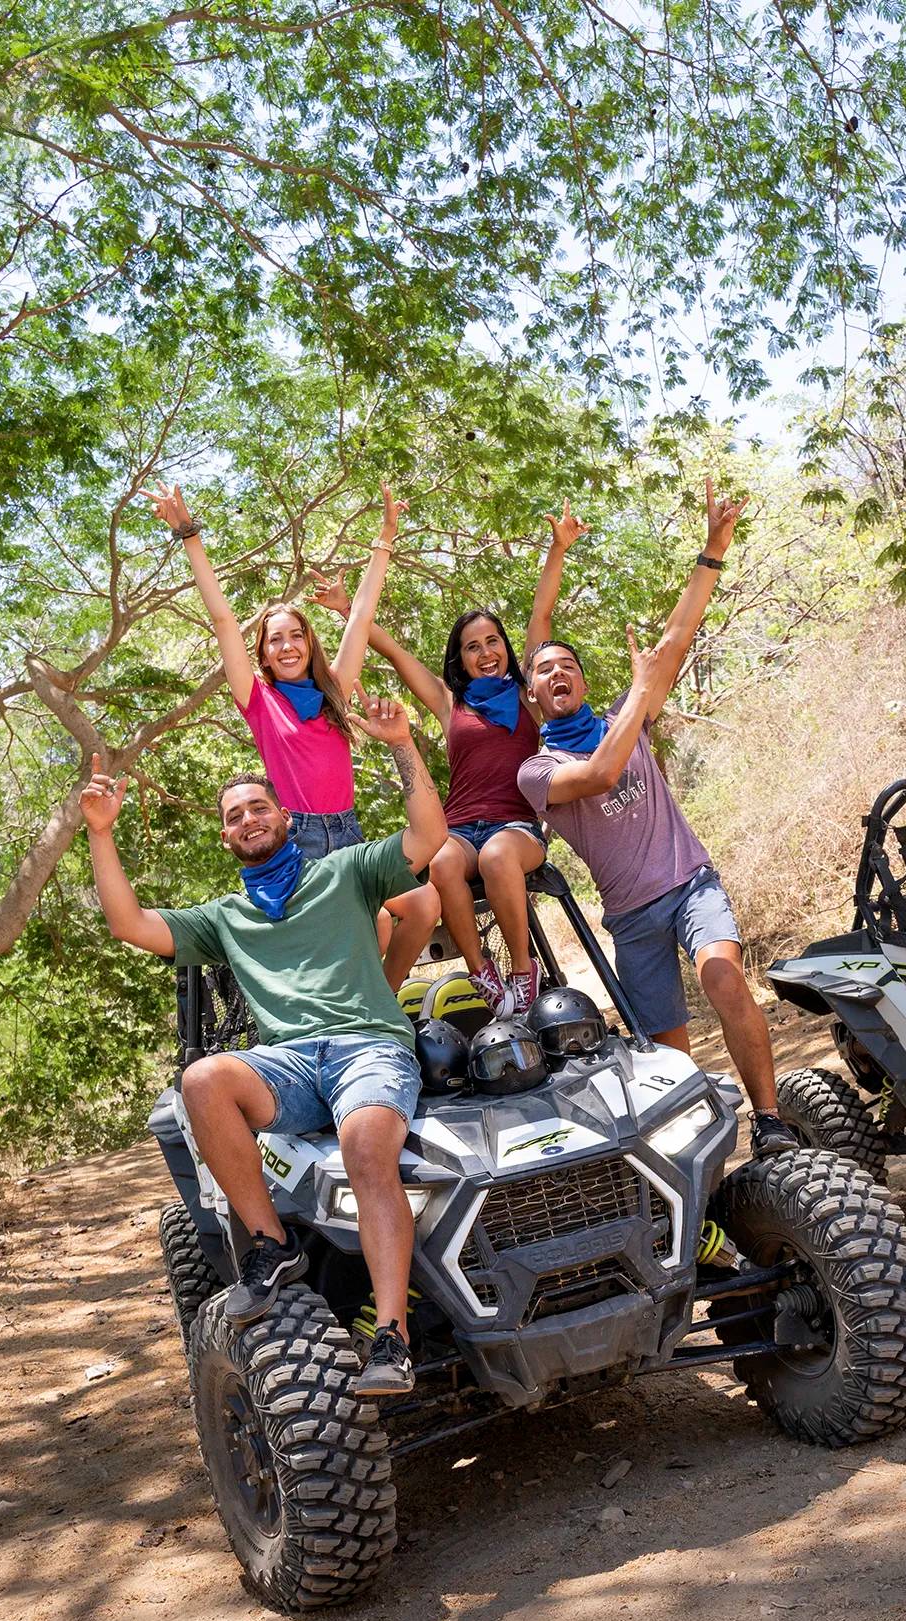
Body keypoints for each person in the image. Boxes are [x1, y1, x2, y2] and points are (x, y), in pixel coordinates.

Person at [79, 688, 446, 1396]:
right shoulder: (225, 918)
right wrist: (101, 831)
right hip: (292, 1063)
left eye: (257, 807)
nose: (247, 819)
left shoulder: (344, 872)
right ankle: (270, 1248)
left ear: (285, 817)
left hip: (368, 1045)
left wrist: (403, 746)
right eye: (233, 815)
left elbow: (427, 839)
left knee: (366, 1147)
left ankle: (391, 1337)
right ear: (226, 837)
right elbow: (128, 924)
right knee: (201, 1080)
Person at [516, 479, 798, 1158]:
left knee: (723, 977)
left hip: (690, 883)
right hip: (632, 919)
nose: (558, 672)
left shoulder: (627, 713)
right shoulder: (537, 773)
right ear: (530, 699)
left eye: (568, 665)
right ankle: (710, 1170)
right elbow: (602, 775)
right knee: (672, 1062)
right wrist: (641, 695)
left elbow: (677, 634)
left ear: (582, 681)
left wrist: (712, 549)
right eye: (544, 670)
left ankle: (771, 1122)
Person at [141, 478, 439, 990]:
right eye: (274, 639)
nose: (286, 646)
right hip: (296, 839)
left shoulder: (334, 694)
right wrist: (189, 534)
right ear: (263, 654)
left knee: (423, 903)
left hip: (346, 833)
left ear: (309, 643)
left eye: (296, 635)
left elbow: (362, 615)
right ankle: (348, 1014)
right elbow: (222, 620)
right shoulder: (259, 701)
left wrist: (386, 534)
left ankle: (381, 1004)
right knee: (378, 921)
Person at [311, 501, 589, 1016]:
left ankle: (522, 974)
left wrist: (557, 550)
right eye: (471, 647)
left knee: (498, 857)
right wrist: (348, 609)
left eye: (492, 642)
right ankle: (480, 970)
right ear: (458, 659)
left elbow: (542, 618)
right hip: (459, 826)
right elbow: (396, 654)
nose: (486, 653)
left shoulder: (529, 696)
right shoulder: (450, 703)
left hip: (515, 829)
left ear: (506, 649)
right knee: (440, 861)